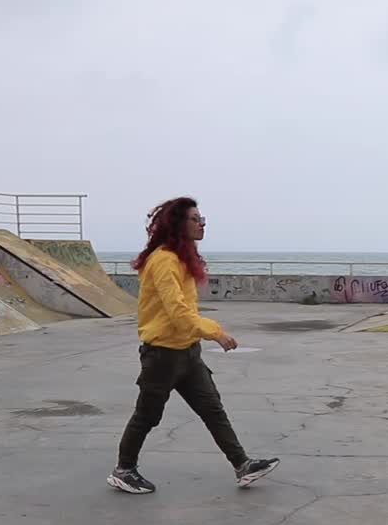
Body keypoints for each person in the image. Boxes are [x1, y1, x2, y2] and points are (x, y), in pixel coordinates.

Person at [107, 196, 279, 494]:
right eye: (195, 219)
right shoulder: (163, 261)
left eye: (203, 219)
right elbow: (178, 312)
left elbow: (184, 312)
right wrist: (215, 332)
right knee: (147, 415)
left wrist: (201, 336)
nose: (202, 224)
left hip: (187, 353)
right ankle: (124, 470)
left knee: (212, 409)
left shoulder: (181, 259)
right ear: (178, 224)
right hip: (162, 354)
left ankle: (242, 465)